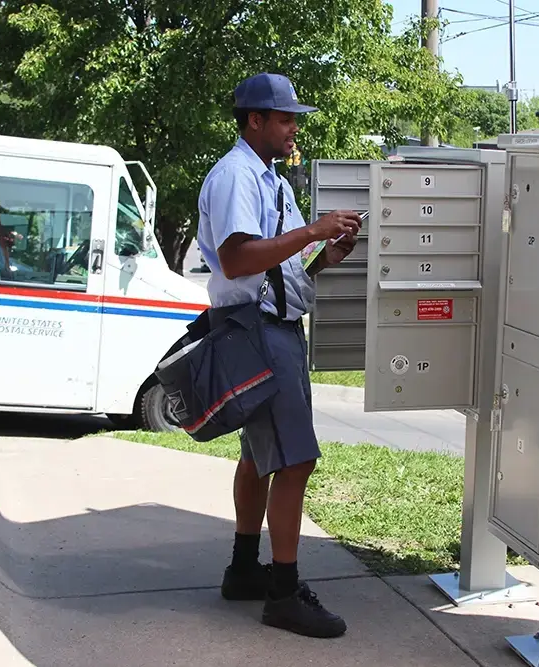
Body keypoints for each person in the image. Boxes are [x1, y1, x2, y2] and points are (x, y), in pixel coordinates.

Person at [196, 73, 363, 639]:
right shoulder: (235, 175)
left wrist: (326, 251)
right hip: (257, 331)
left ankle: (245, 569)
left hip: (274, 326)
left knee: (259, 455)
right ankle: (284, 593)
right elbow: (240, 260)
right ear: (254, 121)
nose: (294, 128)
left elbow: (284, 268)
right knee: (295, 461)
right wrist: (313, 228)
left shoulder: (271, 180)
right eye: (286, 118)